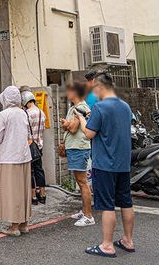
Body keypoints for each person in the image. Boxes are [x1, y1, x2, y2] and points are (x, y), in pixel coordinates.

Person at [80, 73, 134, 258]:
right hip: (123, 164)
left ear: (100, 87)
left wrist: (82, 120)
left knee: (107, 205)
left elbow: (89, 134)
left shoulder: (100, 107)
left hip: (105, 164)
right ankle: (128, 240)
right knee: (126, 202)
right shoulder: (126, 107)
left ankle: (107, 245)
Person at [0, 86, 32, 237]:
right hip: (24, 155)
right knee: (23, 189)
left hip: (10, 156)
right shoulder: (23, 113)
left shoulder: (4, 114)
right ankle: (24, 224)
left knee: (12, 191)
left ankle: (14, 226)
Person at [61, 81, 95, 227]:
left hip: (79, 148)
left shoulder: (80, 107)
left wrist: (65, 125)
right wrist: (67, 124)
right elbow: (71, 126)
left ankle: (88, 216)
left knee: (82, 182)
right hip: (76, 148)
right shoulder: (75, 107)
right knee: (80, 182)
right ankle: (84, 211)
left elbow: (74, 128)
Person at [21, 90, 47, 205]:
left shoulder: (27, 114)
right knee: (39, 170)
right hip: (39, 146)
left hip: (30, 146)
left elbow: (25, 132)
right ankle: (42, 194)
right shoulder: (42, 113)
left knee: (30, 171)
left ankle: (33, 196)